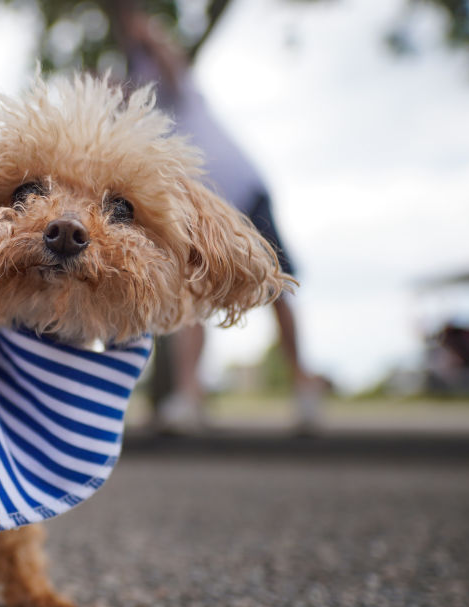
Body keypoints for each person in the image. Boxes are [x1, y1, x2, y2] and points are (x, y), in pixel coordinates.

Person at [111, 2, 323, 432]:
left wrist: (152, 37)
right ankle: (190, 395)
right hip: (195, 204)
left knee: (277, 287)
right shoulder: (130, 94)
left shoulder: (172, 80)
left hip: (243, 190)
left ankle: (303, 387)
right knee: (190, 293)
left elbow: (173, 65)